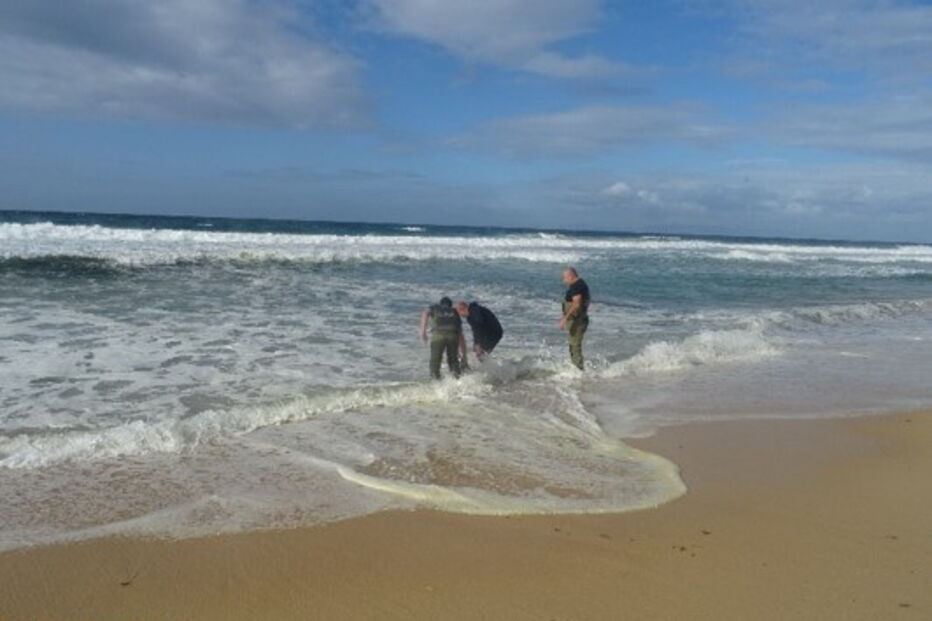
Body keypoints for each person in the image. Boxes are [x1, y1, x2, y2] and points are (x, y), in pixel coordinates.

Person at [420, 297, 467, 380]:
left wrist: (423, 332)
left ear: (440, 303)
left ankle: (436, 383)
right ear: (450, 305)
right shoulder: (455, 312)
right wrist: (464, 354)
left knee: (435, 361)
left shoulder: (435, 307)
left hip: (438, 334)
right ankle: (457, 381)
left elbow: (425, 313)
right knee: (453, 361)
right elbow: (460, 335)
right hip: (453, 335)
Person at [559, 267, 590, 370]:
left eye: (564, 278)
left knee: (575, 345)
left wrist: (565, 318)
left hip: (577, 320)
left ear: (570, 276)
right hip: (578, 318)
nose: (563, 281)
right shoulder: (580, 283)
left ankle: (578, 370)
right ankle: (576, 367)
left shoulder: (576, 286)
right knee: (573, 344)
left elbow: (576, 304)